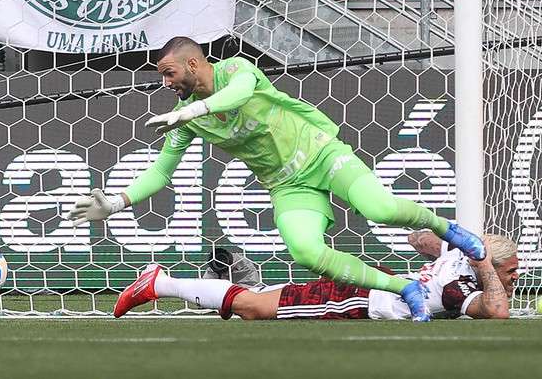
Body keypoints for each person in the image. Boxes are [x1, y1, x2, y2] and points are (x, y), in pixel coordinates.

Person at [67, 36, 487, 322]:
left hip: (321, 153)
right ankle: (405, 288)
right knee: (306, 252)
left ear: (193, 63)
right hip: (288, 185)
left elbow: (240, 94)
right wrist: (116, 203)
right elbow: (161, 171)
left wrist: (189, 112)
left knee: (380, 209)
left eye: (169, 72)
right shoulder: (185, 120)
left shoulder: (233, 70)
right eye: (162, 76)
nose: (166, 82)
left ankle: (446, 227)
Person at [111, 233, 517, 320]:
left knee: (257, 302)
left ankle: (239, 278)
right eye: (511, 271)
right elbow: (496, 311)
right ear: (490, 268)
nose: (516, 277)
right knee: (253, 308)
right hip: (357, 297)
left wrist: (456, 245)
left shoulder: (458, 265)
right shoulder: (459, 285)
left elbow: (419, 239)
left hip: (370, 289)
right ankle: (157, 283)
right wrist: (479, 261)